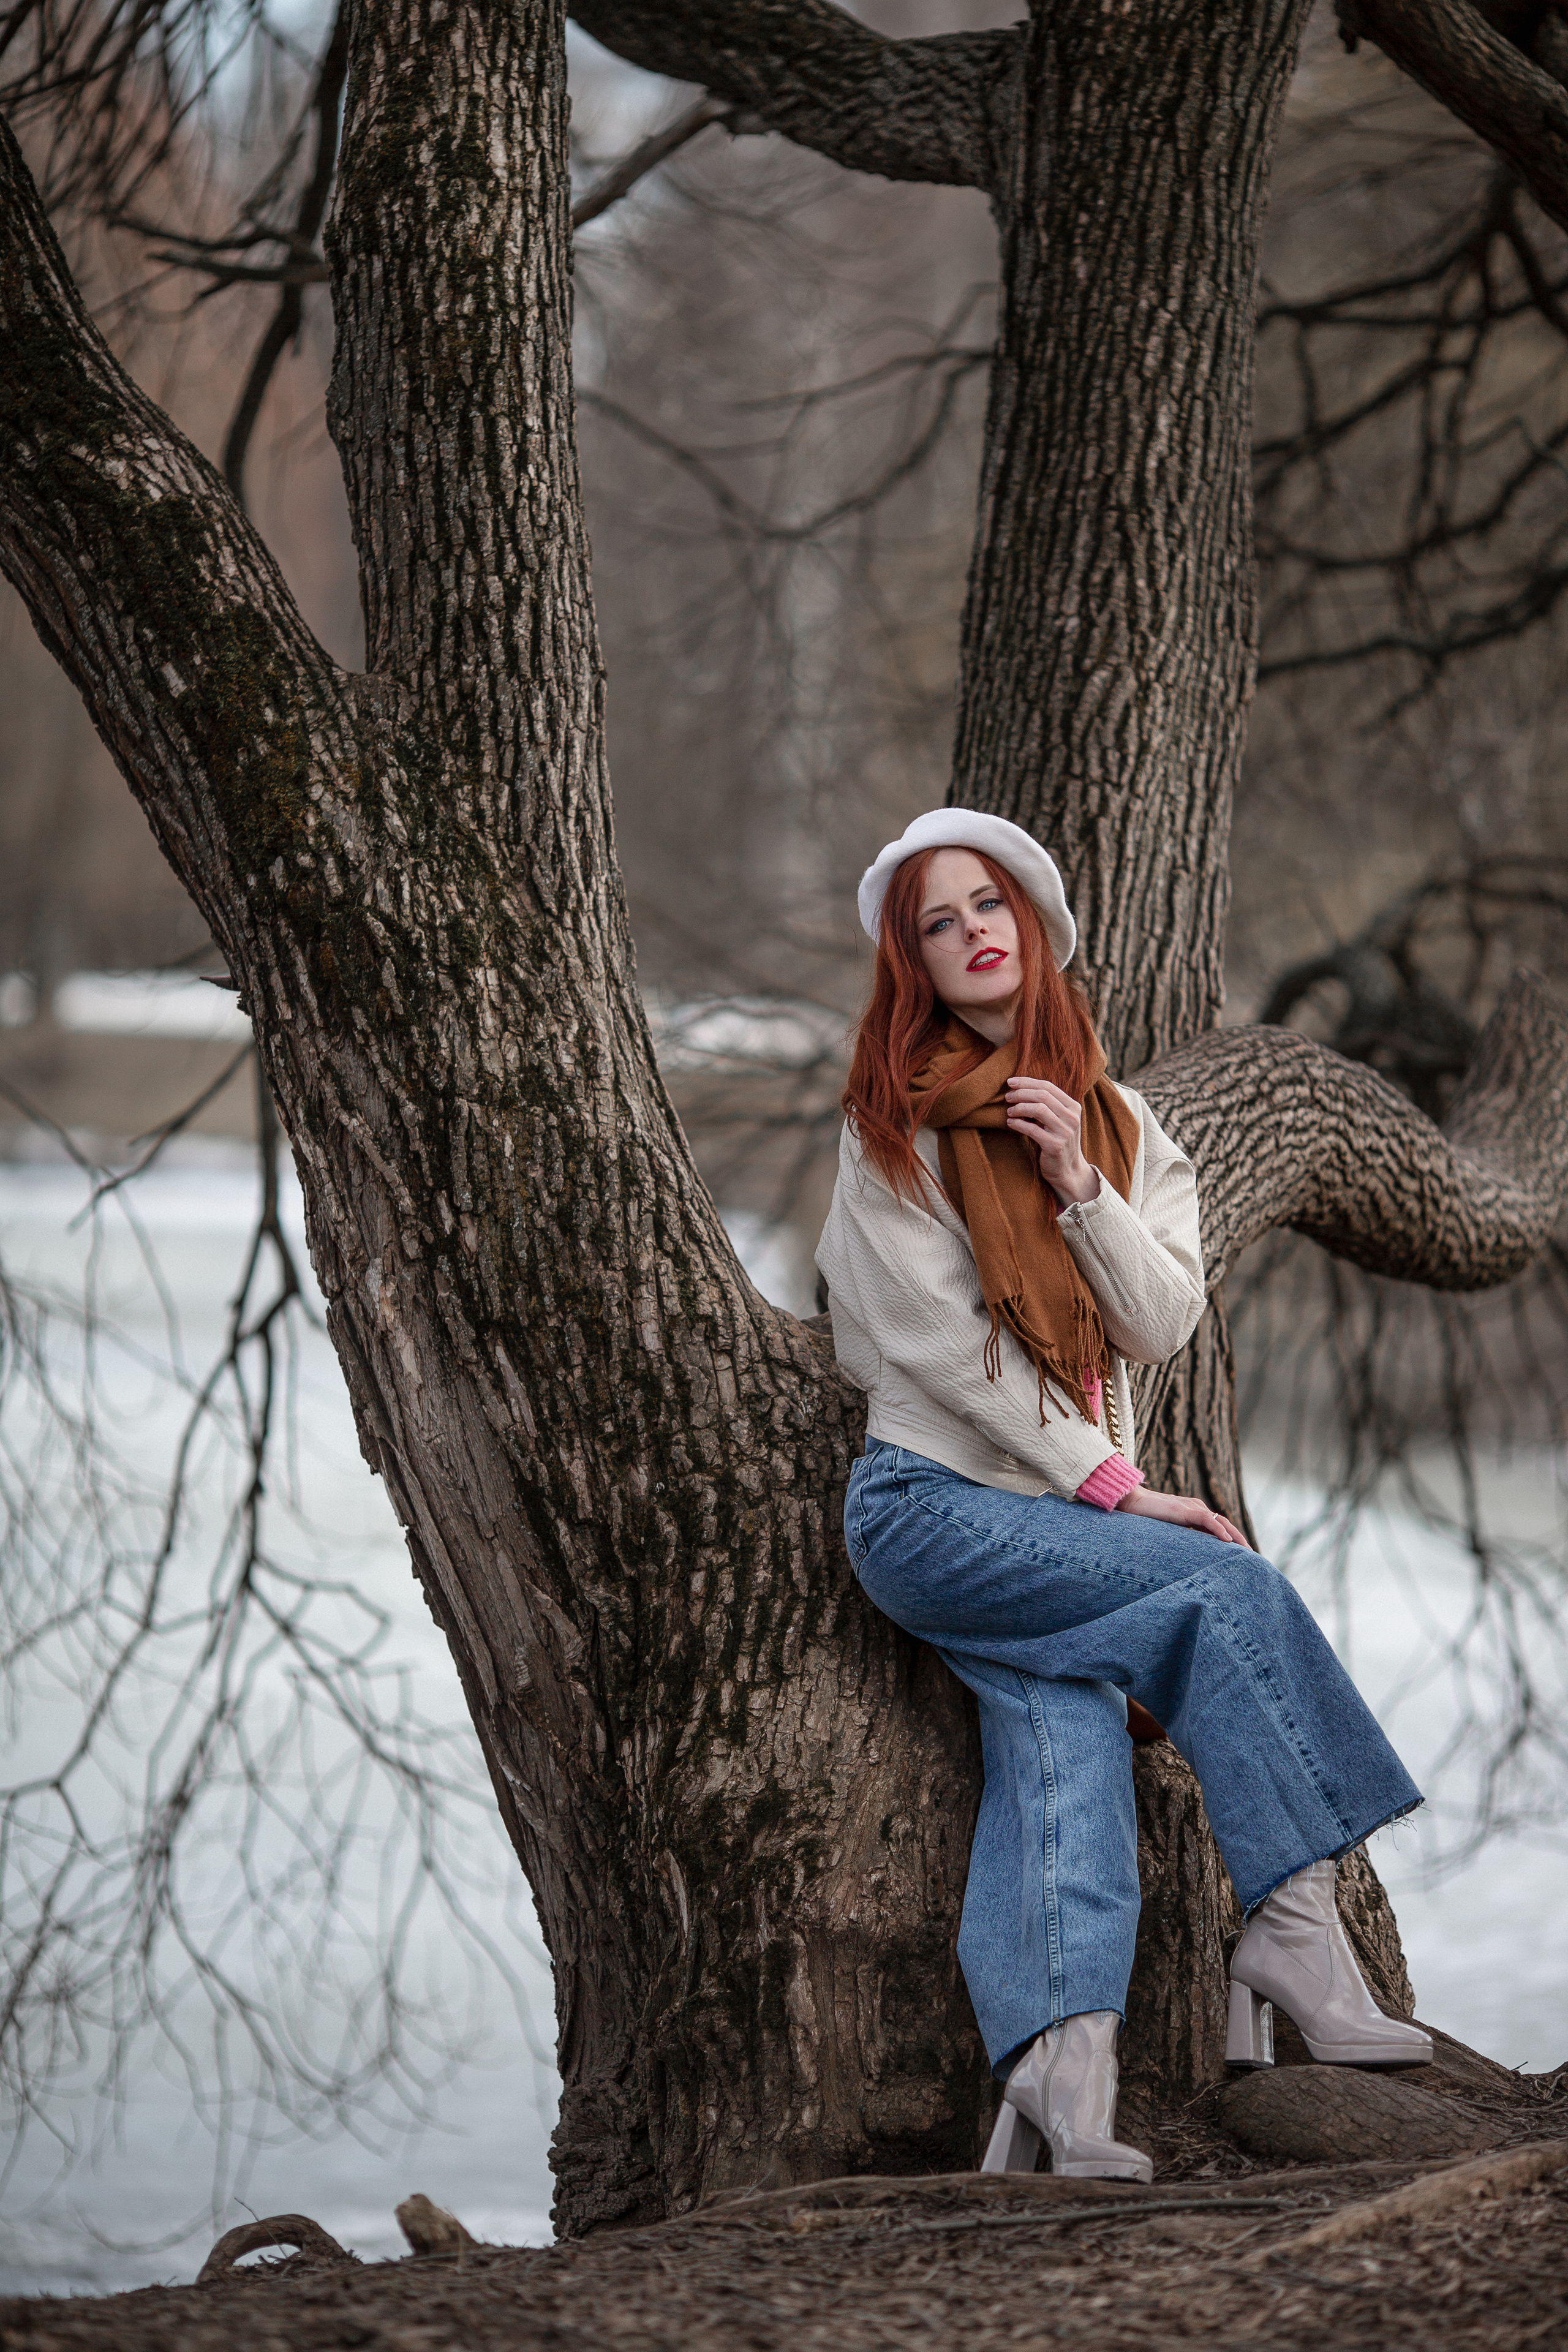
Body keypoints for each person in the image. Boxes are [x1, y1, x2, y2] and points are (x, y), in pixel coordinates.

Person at [815, 808, 1430, 2184]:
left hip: (1051, 1528)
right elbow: (919, 1341)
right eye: (937, 919)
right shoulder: (889, 1127)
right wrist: (1109, 1483)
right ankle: (1288, 1920)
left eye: (991, 906)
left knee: (1062, 1731)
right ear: (911, 964)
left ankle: (1058, 2071)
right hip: (928, 1510)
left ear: (1033, 930)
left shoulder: (1126, 1130)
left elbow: (1157, 1323)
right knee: (1229, 1582)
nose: (972, 931)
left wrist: (1079, 1186)